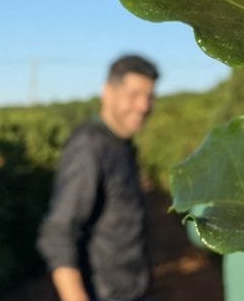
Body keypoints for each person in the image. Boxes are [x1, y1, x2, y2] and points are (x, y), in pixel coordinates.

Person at [37, 54, 159, 301]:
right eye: (134, 95)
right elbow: (59, 230)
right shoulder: (90, 146)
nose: (143, 106)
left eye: (149, 96)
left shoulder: (122, 145)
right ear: (108, 93)